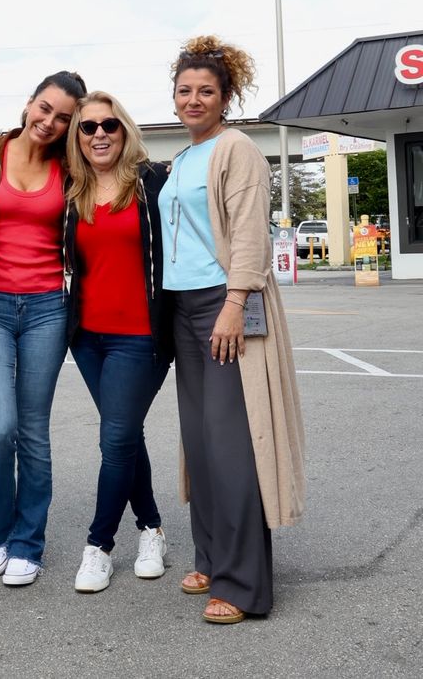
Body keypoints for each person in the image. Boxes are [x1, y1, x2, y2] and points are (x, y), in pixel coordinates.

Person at [161, 35, 304, 624]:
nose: (194, 100)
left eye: (206, 91)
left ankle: (243, 584)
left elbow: (250, 232)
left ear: (225, 98)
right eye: (185, 90)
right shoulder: (182, 159)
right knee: (199, 443)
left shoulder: (236, 148)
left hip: (223, 304)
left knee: (231, 445)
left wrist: (234, 300)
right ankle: (211, 556)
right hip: (181, 307)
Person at [0, 71, 86, 586]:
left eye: (63, 118)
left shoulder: (71, 168)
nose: (50, 122)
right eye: (45, 109)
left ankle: (28, 543)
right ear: (29, 104)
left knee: (33, 431)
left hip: (47, 308)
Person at [64, 91, 174, 593]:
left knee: (115, 440)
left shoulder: (153, 182)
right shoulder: (73, 191)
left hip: (140, 337)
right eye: (88, 127)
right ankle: (151, 529)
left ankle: (99, 546)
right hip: (88, 338)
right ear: (78, 138)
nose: (100, 134)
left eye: (109, 125)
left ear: (124, 129)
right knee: (126, 436)